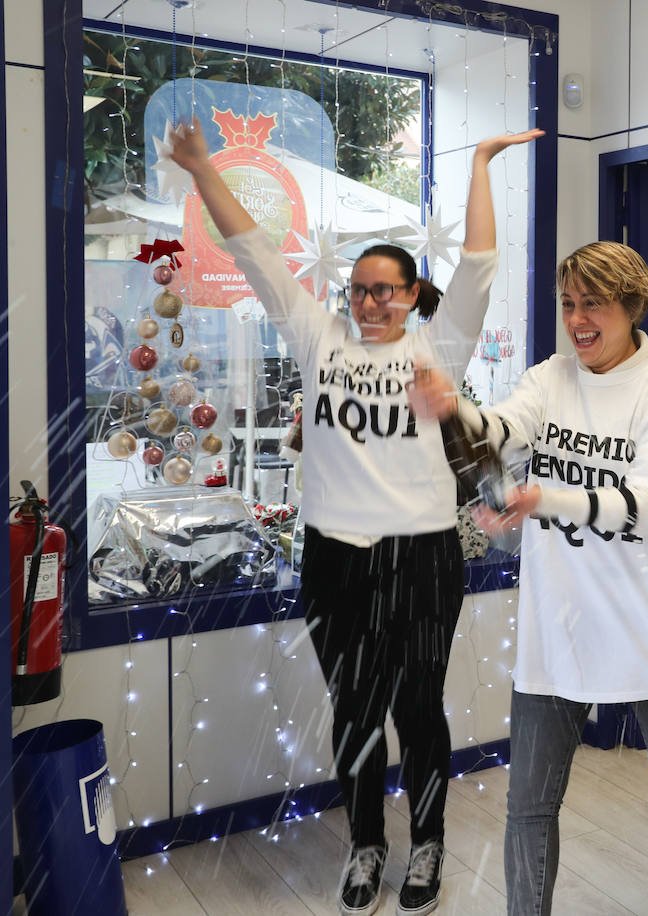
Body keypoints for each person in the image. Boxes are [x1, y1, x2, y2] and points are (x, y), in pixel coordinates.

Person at [169, 117, 542, 916]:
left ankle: (429, 839)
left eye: (388, 290)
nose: (371, 301)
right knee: (357, 710)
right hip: (334, 554)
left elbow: (479, 262)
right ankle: (368, 844)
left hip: (422, 556)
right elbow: (252, 249)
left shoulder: (438, 350)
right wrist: (202, 170)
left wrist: (479, 162)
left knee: (418, 708)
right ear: (348, 294)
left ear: (412, 297)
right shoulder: (318, 337)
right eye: (361, 288)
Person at [409, 242, 648, 916]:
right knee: (528, 802)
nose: (578, 319)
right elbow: (503, 431)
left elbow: (646, 505)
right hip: (559, 623)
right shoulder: (551, 376)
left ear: (631, 306)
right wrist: (454, 407)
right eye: (568, 304)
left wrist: (542, 500)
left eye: (594, 304)